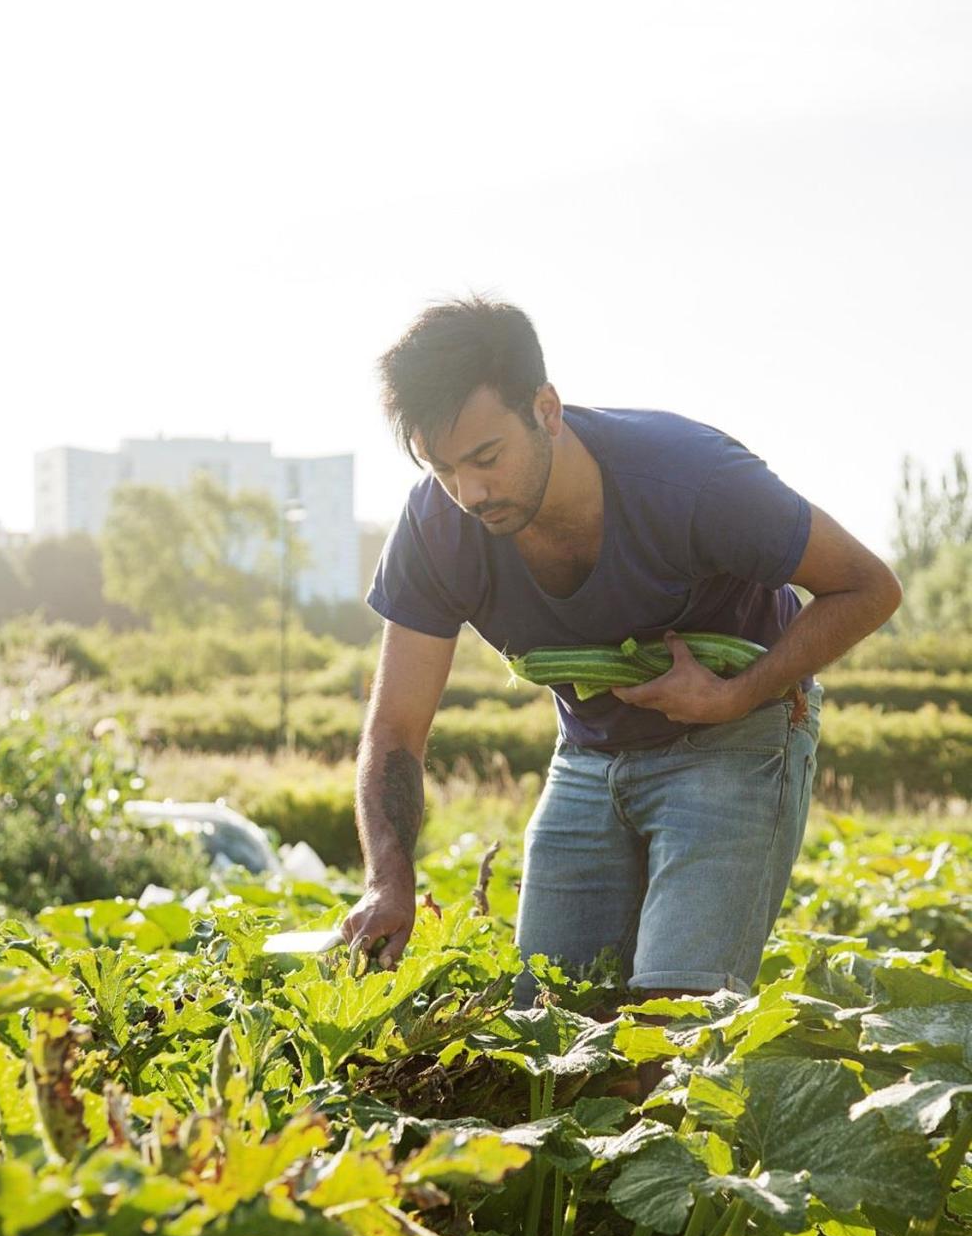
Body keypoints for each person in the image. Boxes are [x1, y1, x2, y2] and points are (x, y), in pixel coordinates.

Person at [342, 297, 902, 1019]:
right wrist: (388, 876)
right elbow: (394, 733)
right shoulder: (436, 526)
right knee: (553, 1021)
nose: (469, 493)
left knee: (671, 1028)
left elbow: (869, 586)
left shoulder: (692, 479)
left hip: (736, 738)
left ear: (546, 408)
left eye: (486, 458)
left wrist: (736, 694)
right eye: (442, 468)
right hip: (588, 752)